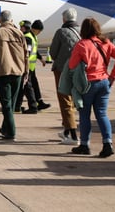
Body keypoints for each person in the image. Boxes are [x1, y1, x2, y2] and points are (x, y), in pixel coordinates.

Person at [68, 17, 115, 157]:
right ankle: (107, 143)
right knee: (102, 114)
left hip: (88, 84)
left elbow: (72, 65)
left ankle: (84, 145)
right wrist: (113, 76)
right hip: (104, 82)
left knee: (84, 115)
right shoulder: (106, 43)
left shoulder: (82, 44)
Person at [0, 10, 29, 140]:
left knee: (6, 105)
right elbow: (26, 54)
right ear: (11, 20)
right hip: (18, 72)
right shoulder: (19, 33)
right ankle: (5, 128)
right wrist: (26, 72)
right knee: (11, 103)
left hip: (3, 72)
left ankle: (11, 132)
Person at [49, 8, 80, 145]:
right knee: (73, 100)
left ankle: (73, 135)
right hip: (79, 71)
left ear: (64, 19)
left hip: (63, 70)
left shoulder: (61, 32)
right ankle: (67, 131)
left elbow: (53, 53)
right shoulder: (82, 32)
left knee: (65, 101)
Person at [14, 20, 40, 114]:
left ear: (25, 28)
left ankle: (33, 106)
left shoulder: (27, 38)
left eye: (22, 27)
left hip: (26, 65)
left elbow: (27, 51)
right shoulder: (31, 37)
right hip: (29, 65)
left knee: (27, 86)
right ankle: (17, 106)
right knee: (22, 86)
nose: (20, 29)